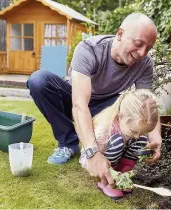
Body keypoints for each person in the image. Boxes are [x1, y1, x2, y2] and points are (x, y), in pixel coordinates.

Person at [27, 13, 161, 187]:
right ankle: (68, 142)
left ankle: (118, 156)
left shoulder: (145, 64)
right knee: (38, 81)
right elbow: (79, 104)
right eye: (138, 44)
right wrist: (92, 152)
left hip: (108, 106)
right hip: (76, 98)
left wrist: (156, 138)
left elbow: (147, 103)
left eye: (148, 48)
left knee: (128, 109)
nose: (143, 53)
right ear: (120, 34)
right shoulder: (90, 49)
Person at [79, 89, 159, 199]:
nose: (136, 135)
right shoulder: (107, 130)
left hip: (117, 155)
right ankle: (107, 181)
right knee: (117, 141)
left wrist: (146, 149)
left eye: (142, 131)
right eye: (133, 131)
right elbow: (97, 155)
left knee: (141, 139)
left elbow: (137, 138)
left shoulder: (130, 128)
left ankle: (123, 171)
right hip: (95, 158)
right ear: (121, 117)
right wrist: (104, 170)